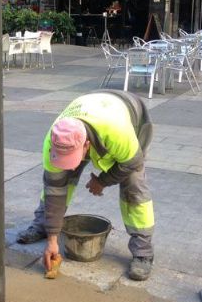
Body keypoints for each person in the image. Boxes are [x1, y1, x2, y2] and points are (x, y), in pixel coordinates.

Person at [16, 90, 155, 281]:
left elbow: (133, 162)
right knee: (58, 182)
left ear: (87, 145)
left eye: (73, 157)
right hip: (90, 108)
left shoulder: (117, 131)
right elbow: (54, 190)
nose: (69, 164)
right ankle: (41, 226)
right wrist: (52, 240)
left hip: (129, 111)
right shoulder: (53, 140)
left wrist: (103, 181)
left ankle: (143, 252)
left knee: (134, 187)